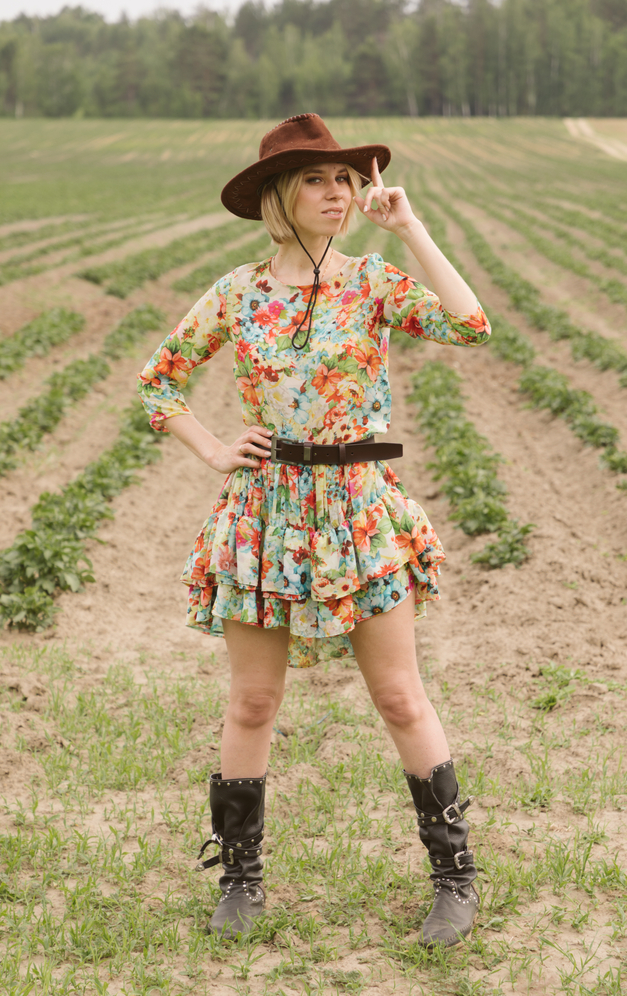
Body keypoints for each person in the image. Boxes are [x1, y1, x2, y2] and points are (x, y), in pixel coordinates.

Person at [137, 113, 491, 948]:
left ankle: (454, 877)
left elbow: (470, 325)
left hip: (359, 509)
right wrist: (213, 449)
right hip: (264, 515)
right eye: (316, 180)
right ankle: (239, 879)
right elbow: (159, 383)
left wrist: (410, 229)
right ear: (278, 196)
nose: (339, 193)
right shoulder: (238, 293)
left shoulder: (371, 282)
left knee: (399, 696)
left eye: (346, 179)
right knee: (253, 701)